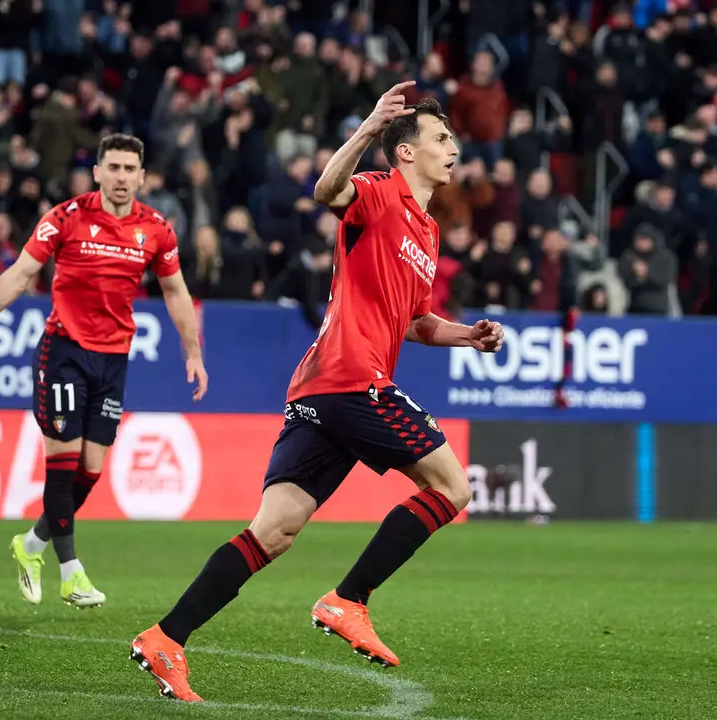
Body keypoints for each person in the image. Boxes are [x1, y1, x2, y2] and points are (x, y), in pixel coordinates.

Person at [128, 84, 504, 702]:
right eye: (441, 139)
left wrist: (468, 335)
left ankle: (166, 638)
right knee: (452, 487)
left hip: (319, 393)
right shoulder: (379, 190)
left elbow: (415, 321)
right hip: (353, 380)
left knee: (272, 532)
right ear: (405, 153)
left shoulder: (429, 234)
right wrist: (365, 129)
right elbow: (327, 191)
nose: (454, 149)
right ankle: (348, 600)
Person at [0, 133, 208, 608]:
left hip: (114, 358)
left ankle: (31, 545)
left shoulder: (157, 229)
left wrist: (193, 351)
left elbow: (176, 292)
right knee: (63, 464)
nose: (121, 177)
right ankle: (71, 572)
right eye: (113, 168)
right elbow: (19, 275)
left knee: (92, 469)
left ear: (142, 176)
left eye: (130, 169)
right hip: (64, 351)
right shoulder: (66, 218)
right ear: (97, 172)